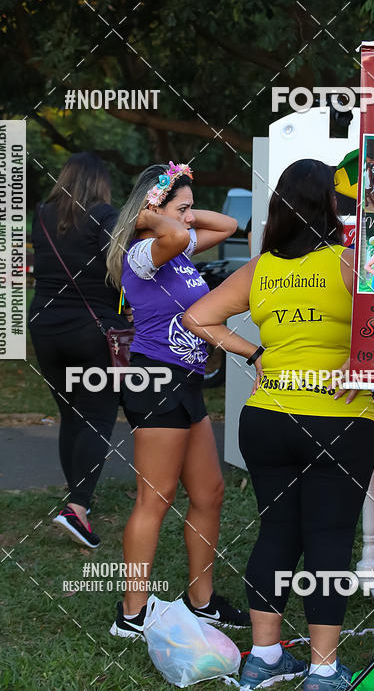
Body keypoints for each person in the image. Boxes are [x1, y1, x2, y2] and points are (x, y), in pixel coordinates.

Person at [183, 159, 374, 691]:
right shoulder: (350, 261)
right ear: (331, 206)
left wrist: (256, 353)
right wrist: (361, 359)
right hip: (337, 419)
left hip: (267, 419)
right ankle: (323, 670)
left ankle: (265, 658)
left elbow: (196, 318)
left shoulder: (261, 268)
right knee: (329, 540)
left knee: (277, 532)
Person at [105, 162, 249, 639]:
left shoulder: (179, 247)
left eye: (191, 209)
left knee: (209, 493)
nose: (190, 218)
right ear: (153, 210)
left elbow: (228, 225)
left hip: (186, 382)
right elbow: (173, 233)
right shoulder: (144, 251)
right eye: (183, 208)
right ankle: (132, 614)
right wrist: (149, 216)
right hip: (155, 381)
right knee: (156, 498)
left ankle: (201, 601)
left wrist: (178, 208)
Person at [29, 152, 130, 549]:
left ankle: (76, 497)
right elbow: (122, 271)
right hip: (92, 330)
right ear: (100, 183)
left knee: (70, 414)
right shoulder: (106, 216)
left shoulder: (42, 214)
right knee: (98, 416)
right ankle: (78, 508)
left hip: (45, 327)